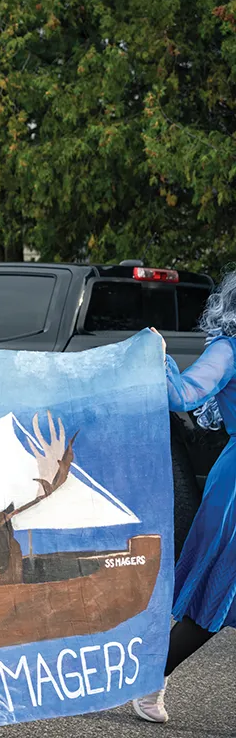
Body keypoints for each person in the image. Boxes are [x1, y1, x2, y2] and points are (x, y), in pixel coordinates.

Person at [131, 275, 236, 723]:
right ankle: (149, 677)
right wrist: (159, 357)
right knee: (213, 595)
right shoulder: (229, 349)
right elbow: (182, 394)